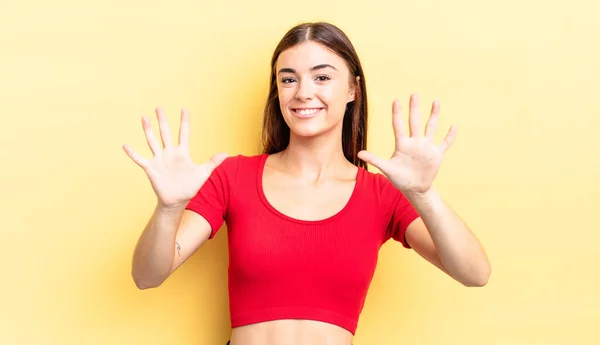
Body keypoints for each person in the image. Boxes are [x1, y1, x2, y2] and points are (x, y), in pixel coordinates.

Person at [123, 22, 491, 345]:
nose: (302, 92)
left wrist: (425, 196)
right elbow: (147, 276)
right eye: (288, 79)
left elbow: (475, 274)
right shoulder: (233, 177)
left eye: (322, 77)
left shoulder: (381, 196)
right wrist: (168, 209)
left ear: (352, 91)